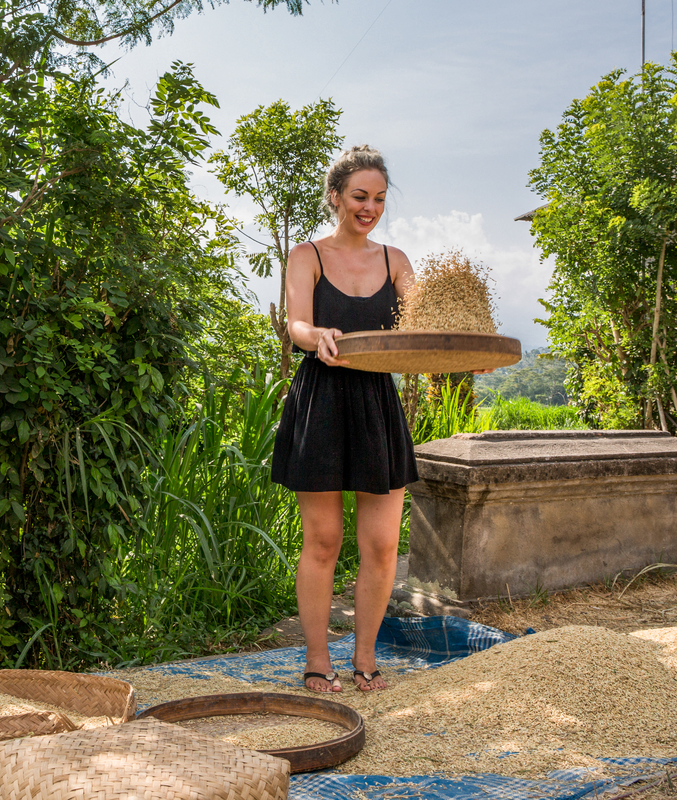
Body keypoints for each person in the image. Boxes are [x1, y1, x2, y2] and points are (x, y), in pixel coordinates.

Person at [270, 145, 417, 693]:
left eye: (379, 198)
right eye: (360, 196)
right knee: (324, 540)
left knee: (381, 546)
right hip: (322, 401)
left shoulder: (395, 261)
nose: (370, 207)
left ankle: (365, 659)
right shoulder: (306, 255)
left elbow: (425, 324)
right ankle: (315, 659)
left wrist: (459, 349)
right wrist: (318, 337)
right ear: (335, 196)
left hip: (377, 404)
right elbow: (297, 326)